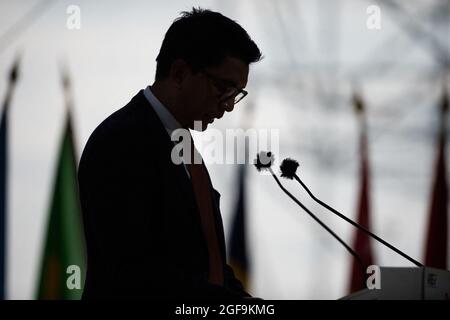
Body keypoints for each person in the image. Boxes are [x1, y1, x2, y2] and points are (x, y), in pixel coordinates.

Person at [78, 7, 262, 299]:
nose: (228, 106)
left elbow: (211, 268)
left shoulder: (185, 150)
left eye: (236, 94)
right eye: (224, 89)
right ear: (179, 73)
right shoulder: (121, 141)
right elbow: (138, 274)